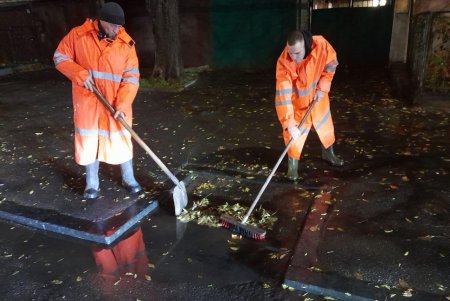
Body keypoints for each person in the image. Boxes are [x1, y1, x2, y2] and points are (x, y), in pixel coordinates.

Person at [53, 2, 142, 199]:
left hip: (115, 103)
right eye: (114, 26)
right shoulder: (78, 35)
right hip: (87, 102)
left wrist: (123, 103)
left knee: (122, 138)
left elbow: (131, 78)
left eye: (120, 26)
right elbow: (60, 57)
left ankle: (129, 178)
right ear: (102, 21)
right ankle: (91, 183)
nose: (118, 30)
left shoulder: (126, 44)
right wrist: (79, 73)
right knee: (88, 140)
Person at [275, 30, 344, 181]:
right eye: (290, 52)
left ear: (305, 46)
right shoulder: (284, 62)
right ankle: (292, 167)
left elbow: (331, 64)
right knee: (294, 137)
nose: (293, 57)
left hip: (318, 98)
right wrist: (289, 122)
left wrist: (324, 86)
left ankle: (328, 154)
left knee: (326, 127)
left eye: (297, 53)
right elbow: (283, 94)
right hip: (298, 103)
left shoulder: (321, 45)